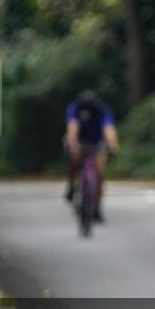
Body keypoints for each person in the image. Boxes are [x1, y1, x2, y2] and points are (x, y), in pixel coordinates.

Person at [64, 90, 119, 221]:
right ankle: (71, 185)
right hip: (80, 140)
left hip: (96, 142)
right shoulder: (75, 108)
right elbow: (72, 127)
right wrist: (72, 143)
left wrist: (112, 144)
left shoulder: (101, 109)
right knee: (74, 158)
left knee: (99, 172)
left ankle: (97, 206)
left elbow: (108, 127)